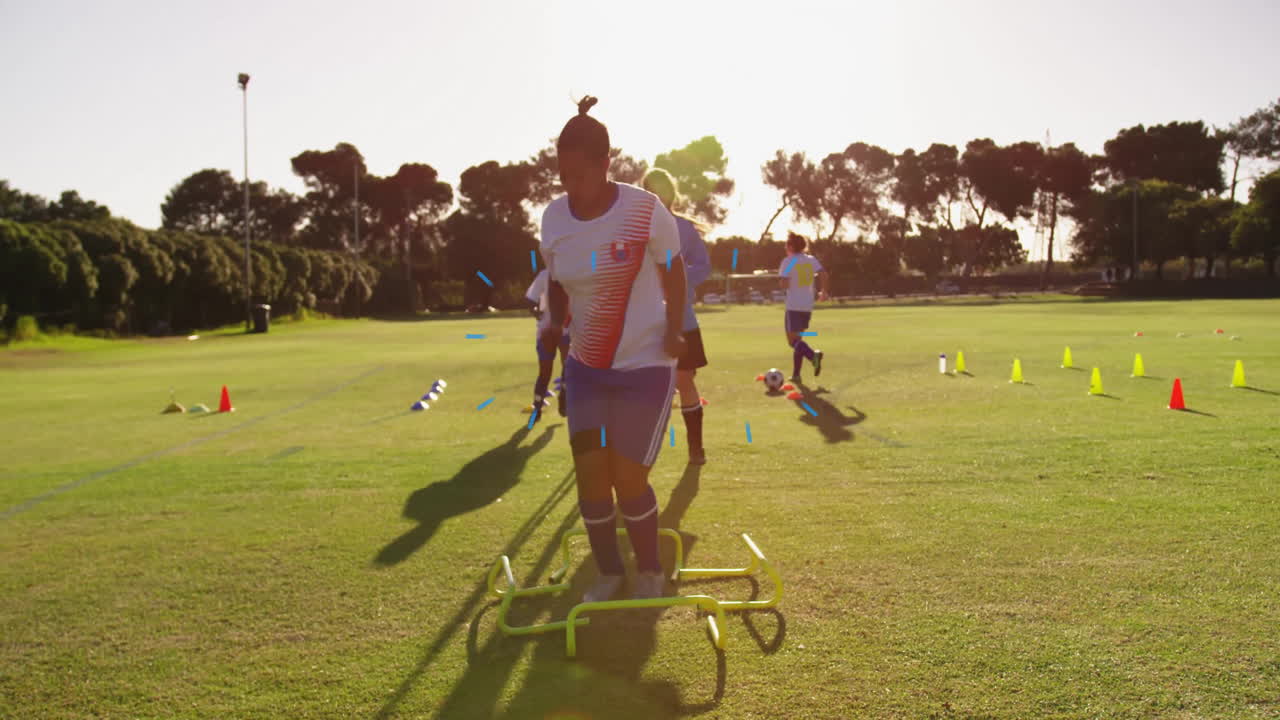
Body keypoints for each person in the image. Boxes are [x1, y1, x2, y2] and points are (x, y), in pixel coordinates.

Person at [539, 96, 687, 602]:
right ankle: (608, 573)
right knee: (591, 480)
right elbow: (557, 282)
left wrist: (674, 326)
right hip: (586, 368)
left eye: (579, 174)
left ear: (607, 164)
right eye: (562, 175)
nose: (570, 186)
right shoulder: (553, 218)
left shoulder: (644, 210)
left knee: (628, 478)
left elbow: (673, 266)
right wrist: (554, 333)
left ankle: (648, 567)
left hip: (646, 364)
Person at [640, 168, 710, 465]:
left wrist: (676, 279)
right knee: (645, 386)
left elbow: (703, 266)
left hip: (682, 319)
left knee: (684, 381)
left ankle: (696, 448)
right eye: (651, 190)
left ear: (671, 192)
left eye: (662, 190)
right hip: (643, 321)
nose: (658, 196)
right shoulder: (635, 227)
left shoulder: (684, 228)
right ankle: (639, 453)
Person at [778, 231, 828, 383]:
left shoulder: (789, 261)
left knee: (792, 341)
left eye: (787, 244)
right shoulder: (810, 260)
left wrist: (782, 282)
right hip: (807, 305)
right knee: (799, 340)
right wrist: (823, 291)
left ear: (791, 246)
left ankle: (814, 356)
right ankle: (796, 375)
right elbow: (824, 274)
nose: (785, 247)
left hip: (793, 305)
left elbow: (784, 283)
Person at [524, 268, 570, 420]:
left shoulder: (544, 275)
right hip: (565, 330)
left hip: (546, 330)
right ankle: (563, 396)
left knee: (544, 372)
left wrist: (536, 312)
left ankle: (537, 408)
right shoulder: (572, 272)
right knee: (567, 367)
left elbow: (530, 300)